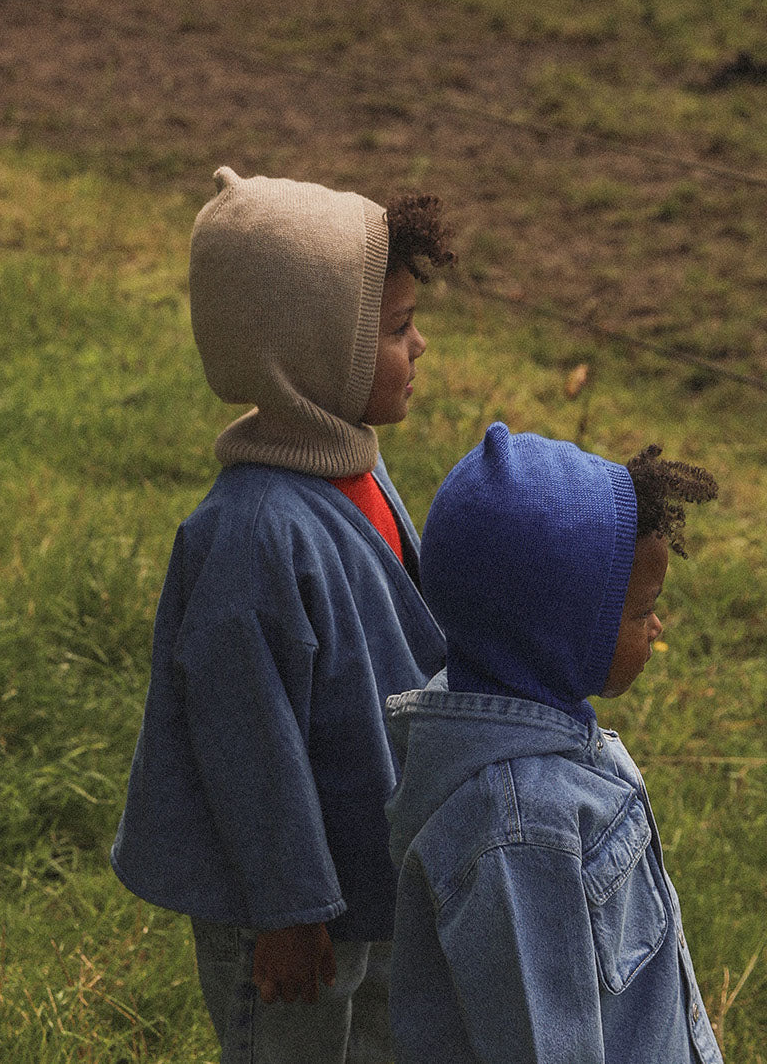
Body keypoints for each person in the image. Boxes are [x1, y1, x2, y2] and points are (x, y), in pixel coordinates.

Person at [111, 166, 455, 1063]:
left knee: (379, 1039)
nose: (418, 347)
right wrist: (286, 910)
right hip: (289, 908)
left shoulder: (358, 469)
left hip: (366, 868)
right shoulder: (253, 535)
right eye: (397, 329)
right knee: (293, 1046)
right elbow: (246, 739)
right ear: (310, 348)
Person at [385, 422, 722, 1064]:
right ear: (558, 635)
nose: (658, 624)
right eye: (639, 609)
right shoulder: (520, 827)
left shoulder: (527, 719)